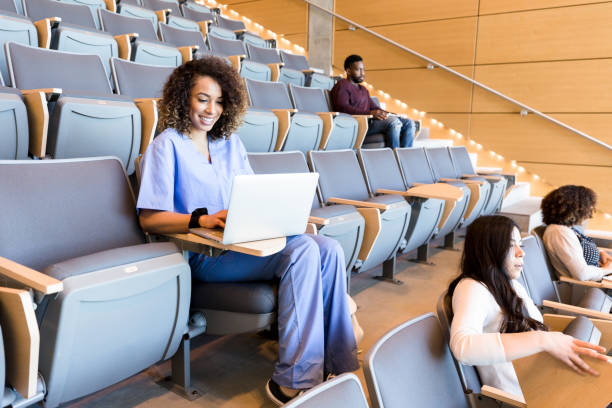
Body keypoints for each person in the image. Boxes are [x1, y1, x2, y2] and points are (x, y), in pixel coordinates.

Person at [136, 57, 359, 406]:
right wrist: (202, 220)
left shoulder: (230, 144)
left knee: (327, 248)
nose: (212, 110)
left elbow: (254, 197)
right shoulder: (166, 146)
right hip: (203, 254)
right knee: (303, 251)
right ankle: (292, 381)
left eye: (220, 101)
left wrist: (282, 216)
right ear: (184, 98)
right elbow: (150, 220)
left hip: (243, 243)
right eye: (203, 99)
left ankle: (336, 363)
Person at [448, 215, 606, 398]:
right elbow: (463, 347)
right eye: (510, 245)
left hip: (543, 381)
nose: (520, 252)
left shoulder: (510, 284)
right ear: (487, 250)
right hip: (528, 395)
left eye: (520, 245)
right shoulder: (472, 288)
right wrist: (541, 339)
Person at [330, 54, 415, 148]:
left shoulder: (363, 89)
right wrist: (370, 113)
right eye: (358, 70)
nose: (362, 73)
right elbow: (343, 109)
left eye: (363, 70)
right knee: (393, 122)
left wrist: (392, 114)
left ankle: (404, 157)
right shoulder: (342, 85)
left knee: (409, 123)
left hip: (369, 122)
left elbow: (374, 107)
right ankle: (395, 158)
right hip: (357, 124)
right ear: (348, 71)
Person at [541, 185, 612, 281]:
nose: (589, 214)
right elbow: (582, 274)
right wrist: (606, 269)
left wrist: (600, 254)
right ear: (576, 209)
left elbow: (576, 250)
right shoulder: (559, 232)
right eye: (588, 208)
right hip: (585, 287)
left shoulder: (567, 229)